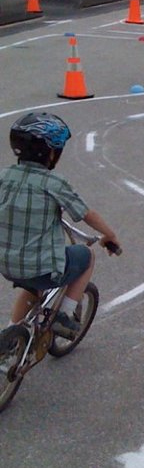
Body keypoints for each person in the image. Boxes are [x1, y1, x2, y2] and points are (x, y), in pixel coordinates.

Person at [0, 113, 121, 337]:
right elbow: (86, 214)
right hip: (40, 267)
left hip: (6, 264)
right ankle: (62, 316)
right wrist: (109, 235)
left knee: (31, 286)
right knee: (86, 256)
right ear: (52, 153)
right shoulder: (53, 183)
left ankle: (10, 339)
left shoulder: (4, 175)